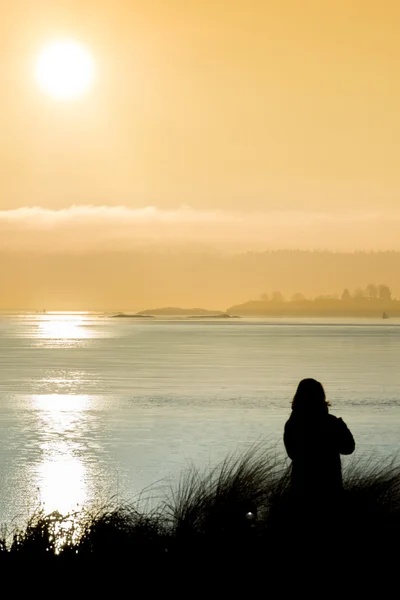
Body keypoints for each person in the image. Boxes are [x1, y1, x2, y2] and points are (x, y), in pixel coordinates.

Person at [284, 378, 355, 501]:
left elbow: (293, 453)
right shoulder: (331, 422)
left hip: (301, 487)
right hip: (329, 486)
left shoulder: (293, 423)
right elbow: (348, 448)